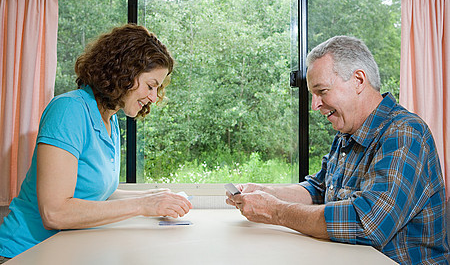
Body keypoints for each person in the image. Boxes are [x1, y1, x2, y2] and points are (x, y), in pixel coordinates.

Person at [226, 36, 449, 264]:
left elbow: (366, 223)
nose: (315, 105)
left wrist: (275, 211)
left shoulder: (405, 133)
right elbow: (319, 190)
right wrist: (264, 192)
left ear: (358, 81)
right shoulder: (347, 133)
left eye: (322, 91)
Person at [0, 24, 192, 262]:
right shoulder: (68, 110)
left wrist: (155, 195)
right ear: (125, 72)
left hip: (62, 252)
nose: (154, 97)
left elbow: (98, 194)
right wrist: (144, 205)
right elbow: (55, 212)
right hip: (23, 254)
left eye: (158, 88)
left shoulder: (110, 122)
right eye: (151, 85)